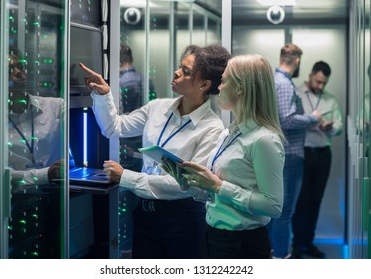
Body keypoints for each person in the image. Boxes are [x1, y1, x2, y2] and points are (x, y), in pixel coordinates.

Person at [79, 44, 232, 259]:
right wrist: (103, 95)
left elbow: (187, 186)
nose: (177, 72)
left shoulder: (211, 128)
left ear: (205, 84)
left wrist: (126, 177)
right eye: (180, 67)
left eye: (186, 72)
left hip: (182, 220)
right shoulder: (157, 107)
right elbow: (114, 127)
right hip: (144, 214)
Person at [162, 54, 285, 259]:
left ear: (240, 88)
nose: (218, 87)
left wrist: (219, 186)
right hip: (212, 237)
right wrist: (188, 183)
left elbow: (273, 206)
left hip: (243, 246)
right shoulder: (228, 133)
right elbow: (214, 194)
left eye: (224, 80)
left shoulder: (264, 140)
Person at [0, 50, 65, 193]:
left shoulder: (56, 107)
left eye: (20, 66)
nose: (19, 73)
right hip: (15, 206)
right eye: (10, 70)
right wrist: (46, 174)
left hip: (62, 199)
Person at [268, 43, 321, 259]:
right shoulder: (285, 84)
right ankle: (280, 257)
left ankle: (273, 254)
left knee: (276, 211)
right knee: (284, 212)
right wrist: (313, 118)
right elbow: (287, 119)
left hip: (282, 153)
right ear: (297, 61)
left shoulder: (275, 80)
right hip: (290, 155)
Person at [292, 61, 343, 258]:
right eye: (318, 81)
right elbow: (290, 121)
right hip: (302, 153)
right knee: (300, 201)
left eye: (324, 83)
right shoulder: (297, 93)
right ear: (311, 74)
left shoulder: (330, 99)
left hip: (323, 154)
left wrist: (331, 127)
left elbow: (339, 125)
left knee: (315, 201)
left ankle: (308, 243)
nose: (321, 86)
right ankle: (297, 246)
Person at [118, 44, 156, 257]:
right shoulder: (145, 79)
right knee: (137, 203)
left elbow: (122, 121)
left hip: (126, 150)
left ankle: (125, 250)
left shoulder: (122, 83)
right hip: (142, 149)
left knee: (124, 206)